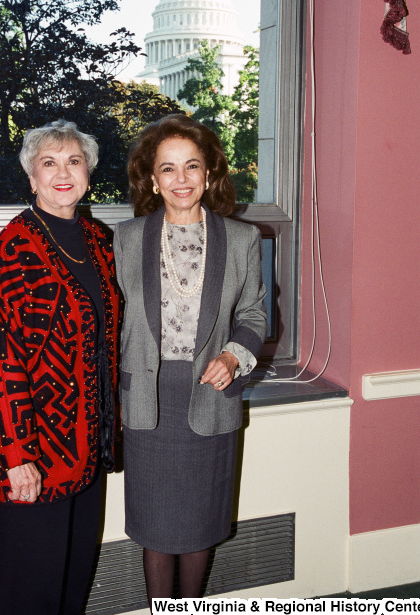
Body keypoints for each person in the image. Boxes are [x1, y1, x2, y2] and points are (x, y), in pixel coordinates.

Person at [113, 114, 267, 604]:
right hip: (147, 403)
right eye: (168, 169)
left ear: (209, 174)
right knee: (155, 530)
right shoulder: (126, 238)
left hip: (210, 396)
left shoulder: (241, 239)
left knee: (201, 526)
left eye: (192, 167)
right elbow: (107, 324)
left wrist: (232, 354)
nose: (181, 180)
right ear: (152, 180)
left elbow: (255, 316)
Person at [0, 119, 121, 615]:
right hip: (33, 455)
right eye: (49, 163)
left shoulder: (98, 242)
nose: (63, 173)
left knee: (74, 581)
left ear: (88, 174)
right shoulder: (8, 250)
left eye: (73, 162)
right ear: (31, 177)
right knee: (28, 594)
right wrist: (16, 456)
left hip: (86, 448)